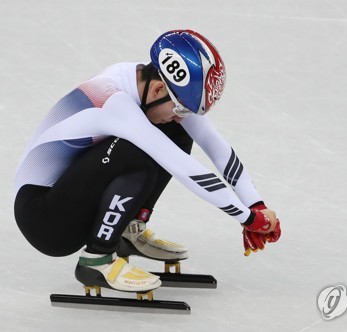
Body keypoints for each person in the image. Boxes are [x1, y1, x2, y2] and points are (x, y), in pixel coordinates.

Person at [14, 29, 281, 293]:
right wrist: (245, 217)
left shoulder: (145, 81)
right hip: (43, 218)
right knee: (136, 150)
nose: (180, 116)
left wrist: (256, 205)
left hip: (68, 192)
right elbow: (182, 166)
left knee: (174, 132)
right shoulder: (112, 100)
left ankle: (128, 229)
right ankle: (97, 260)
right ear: (158, 89)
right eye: (180, 109)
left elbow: (217, 147)